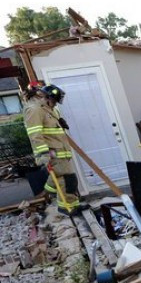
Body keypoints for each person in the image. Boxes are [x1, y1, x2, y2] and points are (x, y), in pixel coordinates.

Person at [24, 83, 82, 215]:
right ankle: (67, 207)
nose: (56, 104)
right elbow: (35, 133)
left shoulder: (49, 109)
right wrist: (42, 153)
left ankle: (50, 195)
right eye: (55, 101)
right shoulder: (35, 110)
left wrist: (60, 121)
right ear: (47, 97)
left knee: (60, 178)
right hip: (52, 152)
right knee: (67, 179)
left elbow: (52, 123)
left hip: (61, 150)